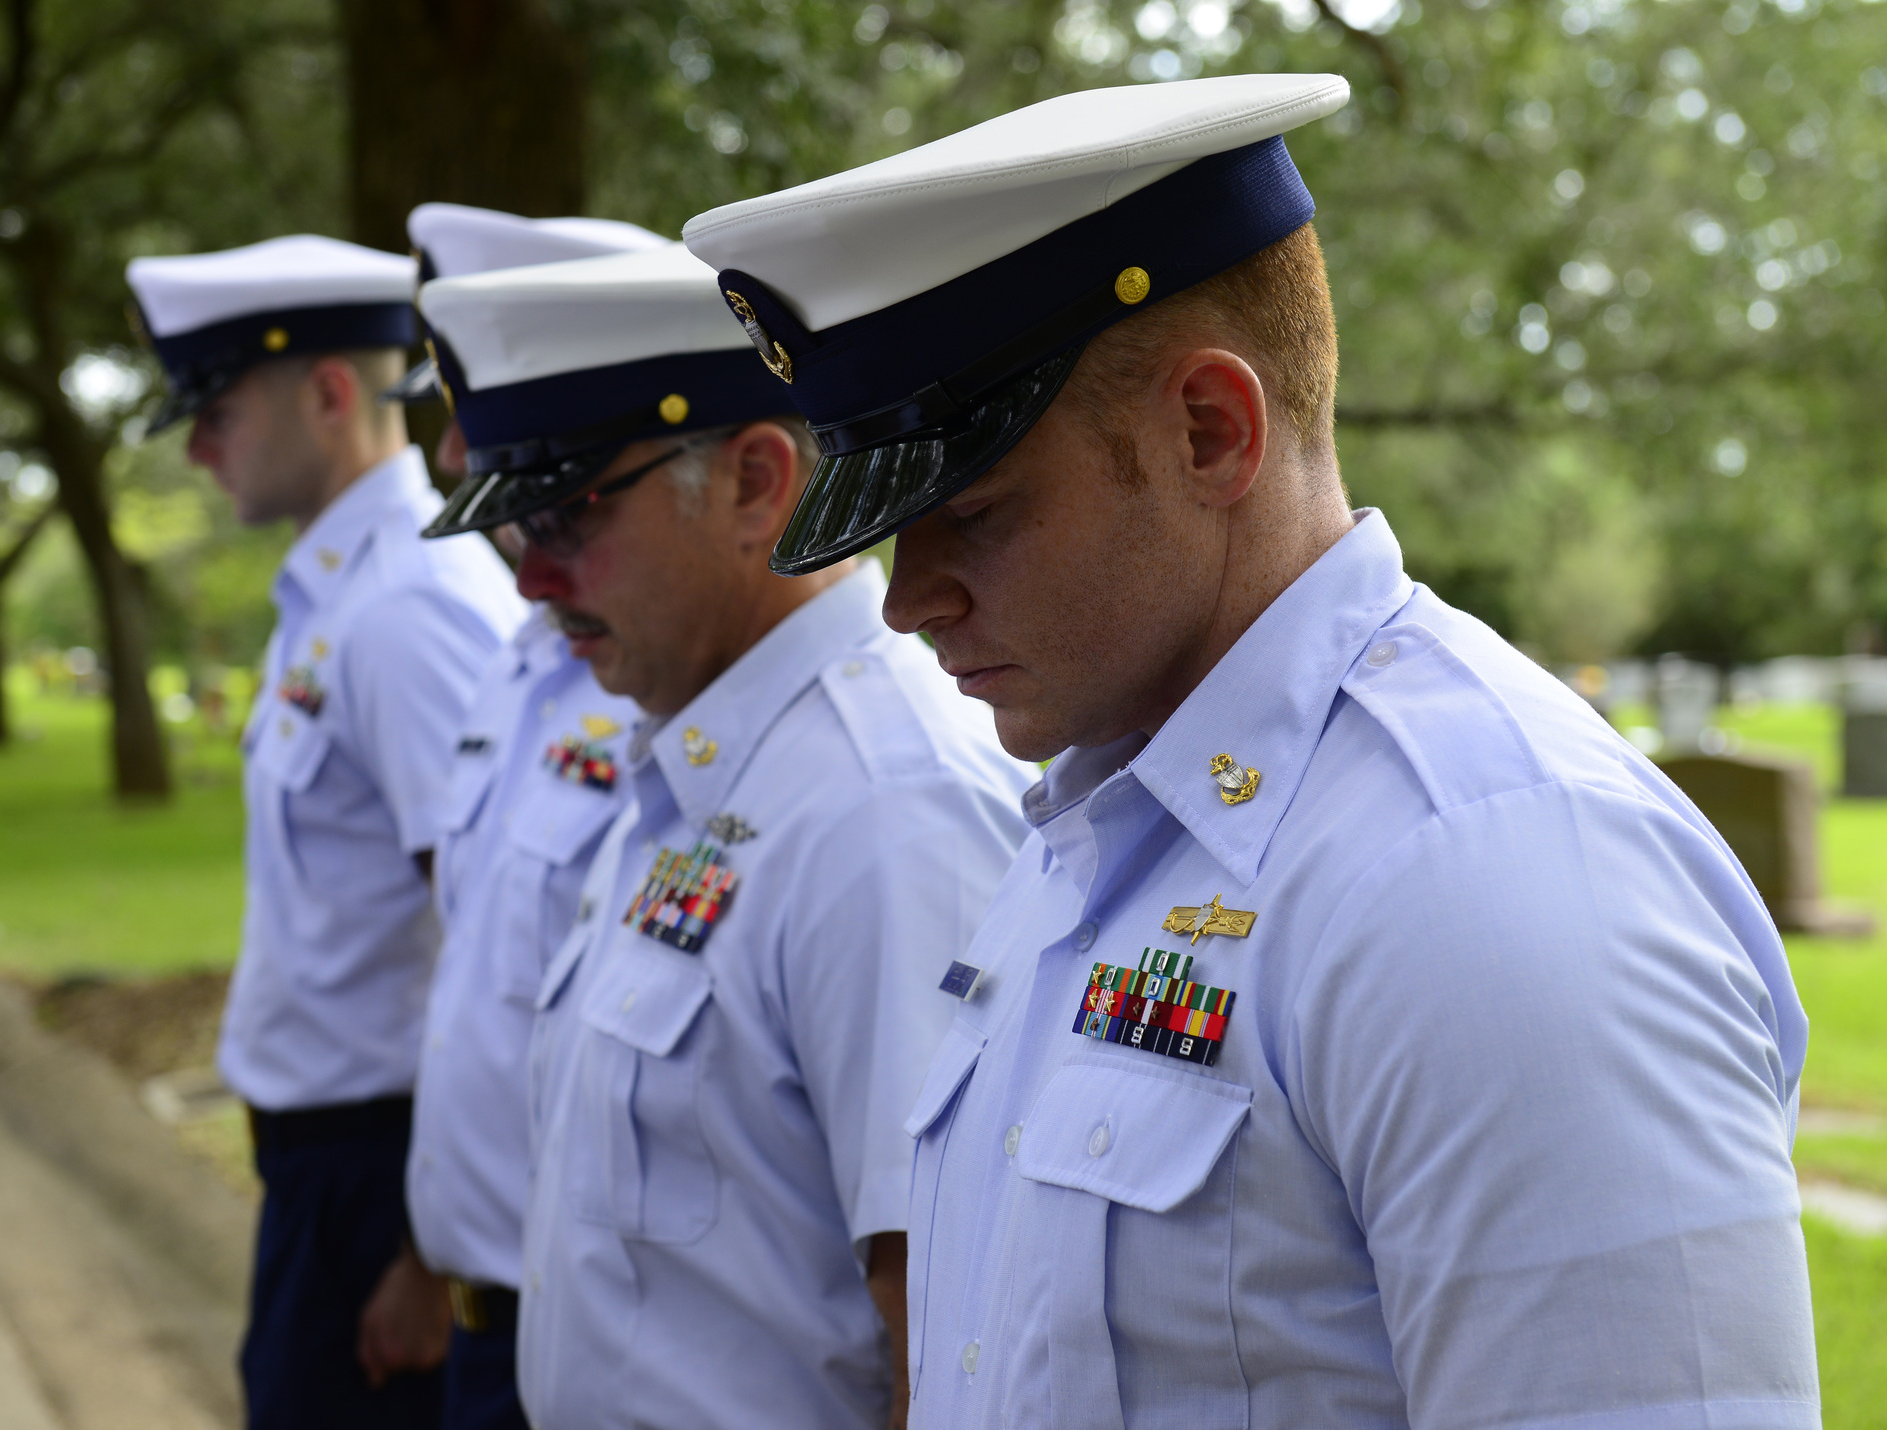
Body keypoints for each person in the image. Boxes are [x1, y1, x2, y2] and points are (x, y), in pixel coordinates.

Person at [683, 73, 1819, 1428]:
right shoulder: (1111, 811)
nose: (906, 597)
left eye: (972, 513)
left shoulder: (1487, 876)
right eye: (890, 532)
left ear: (1209, 431)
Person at [415, 242, 1038, 1429]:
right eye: (514, 529)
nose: (530, 580)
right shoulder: (702, 750)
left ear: (756, 480)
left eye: (561, 513)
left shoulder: (883, 808)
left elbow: (941, 1336)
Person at [127, 235, 527, 1429]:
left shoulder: (404, 607)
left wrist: (425, 1250)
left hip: (381, 1178)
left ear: (331, 392)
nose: (197, 448)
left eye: (217, 412)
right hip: (335, 1170)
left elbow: (493, 943)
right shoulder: (343, 591)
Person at [381, 206, 663, 1430]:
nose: (452, 450)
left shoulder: (652, 669)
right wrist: (426, 1245)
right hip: (497, 1314)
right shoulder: (528, 652)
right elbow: (481, 998)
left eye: (477, 405)